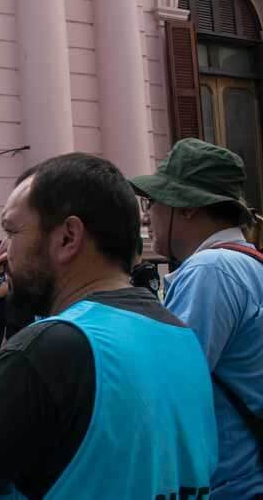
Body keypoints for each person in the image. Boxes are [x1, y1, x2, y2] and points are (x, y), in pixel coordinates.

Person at [0, 153, 217, 499]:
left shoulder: (48, 350)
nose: (1, 256)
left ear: (67, 238)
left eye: (12, 232)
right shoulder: (182, 336)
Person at [129, 138, 263, 499]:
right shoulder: (249, 262)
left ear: (187, 206)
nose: (147, 215)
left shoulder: (211, 270)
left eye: (152, 202)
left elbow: (167, 390)